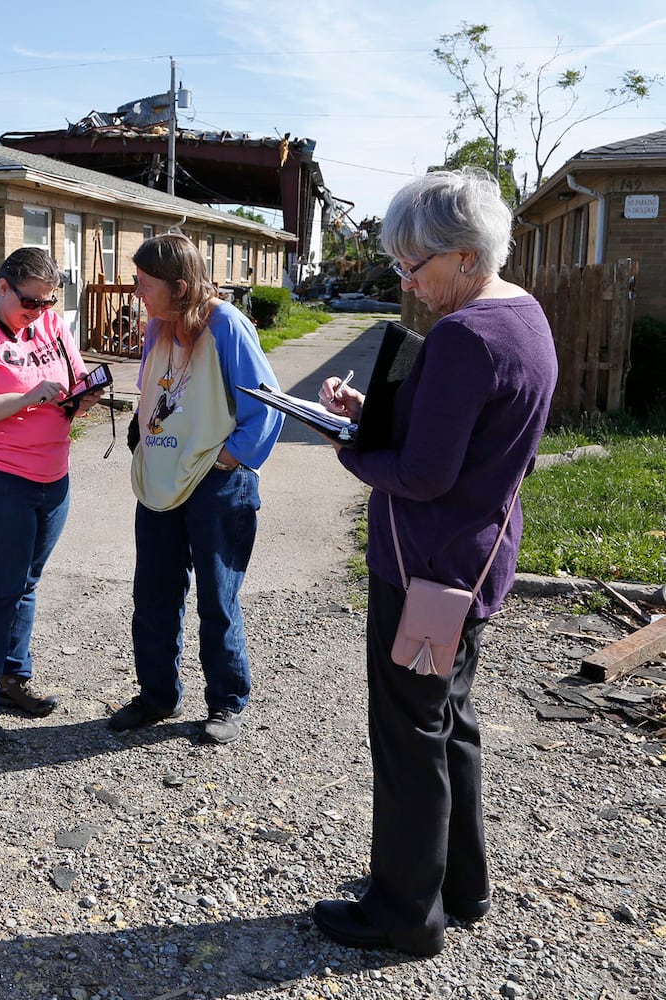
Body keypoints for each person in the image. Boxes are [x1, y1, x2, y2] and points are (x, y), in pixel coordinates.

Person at [311, 168, 558, 956]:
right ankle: (461, 883)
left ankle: (402, 913)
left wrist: (350, 449)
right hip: (477, 556)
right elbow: (460, 430)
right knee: (448, 722)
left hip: (425, 566)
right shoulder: (523, 315)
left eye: (413, 267)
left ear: (460, 256)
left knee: (408, 735)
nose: (408, 284)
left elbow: (420, 476)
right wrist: (375, 415)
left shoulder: (463, 334)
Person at [109, 232, 283, 744]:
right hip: (163, 480)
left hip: (217, 484)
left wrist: (229, 460)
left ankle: (227, 701)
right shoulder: (157, 326)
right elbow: (153, 391)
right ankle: (157, 696)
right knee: (154, 595)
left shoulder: (226, 324)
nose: (137, 290)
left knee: (217, 598)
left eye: (145, 282)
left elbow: (265, 404)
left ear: (179, 286)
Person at [0, 247, 104, 749]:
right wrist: (29, 398)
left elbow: (70, 376)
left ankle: (11, 680)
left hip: (51, 475)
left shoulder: (50, 326)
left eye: (49, 303)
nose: (40, 313)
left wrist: (83, 393)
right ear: (2, 286)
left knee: (25, 583)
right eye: (31, 302)